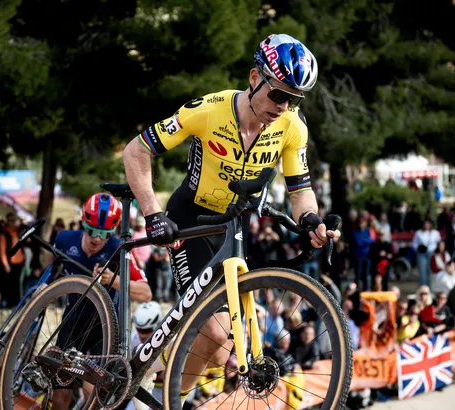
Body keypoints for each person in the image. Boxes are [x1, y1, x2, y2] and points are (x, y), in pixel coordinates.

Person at [122, 33, 338, 399]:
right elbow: (136, 150)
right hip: (189, 219)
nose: (283, 106)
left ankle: (162, 396)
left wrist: (312, 221)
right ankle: (156, 390)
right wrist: (152, 212)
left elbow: (300, 190)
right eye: (278, 94)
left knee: (223, 348)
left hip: (231, 224)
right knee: (218, 332)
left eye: (294, 99)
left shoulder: (293, 128)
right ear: (255, 78)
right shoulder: (209, 110)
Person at [50, 193, 153, 410]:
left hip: (104, 327)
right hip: (73, 321)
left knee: (92, 392)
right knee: (60, 395)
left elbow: (146, 294)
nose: (97, 238)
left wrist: (114, 281)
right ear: (83, 222)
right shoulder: (64, 239)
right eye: (92, 231)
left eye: (104, 234)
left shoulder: (118, 248)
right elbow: (52, 271)